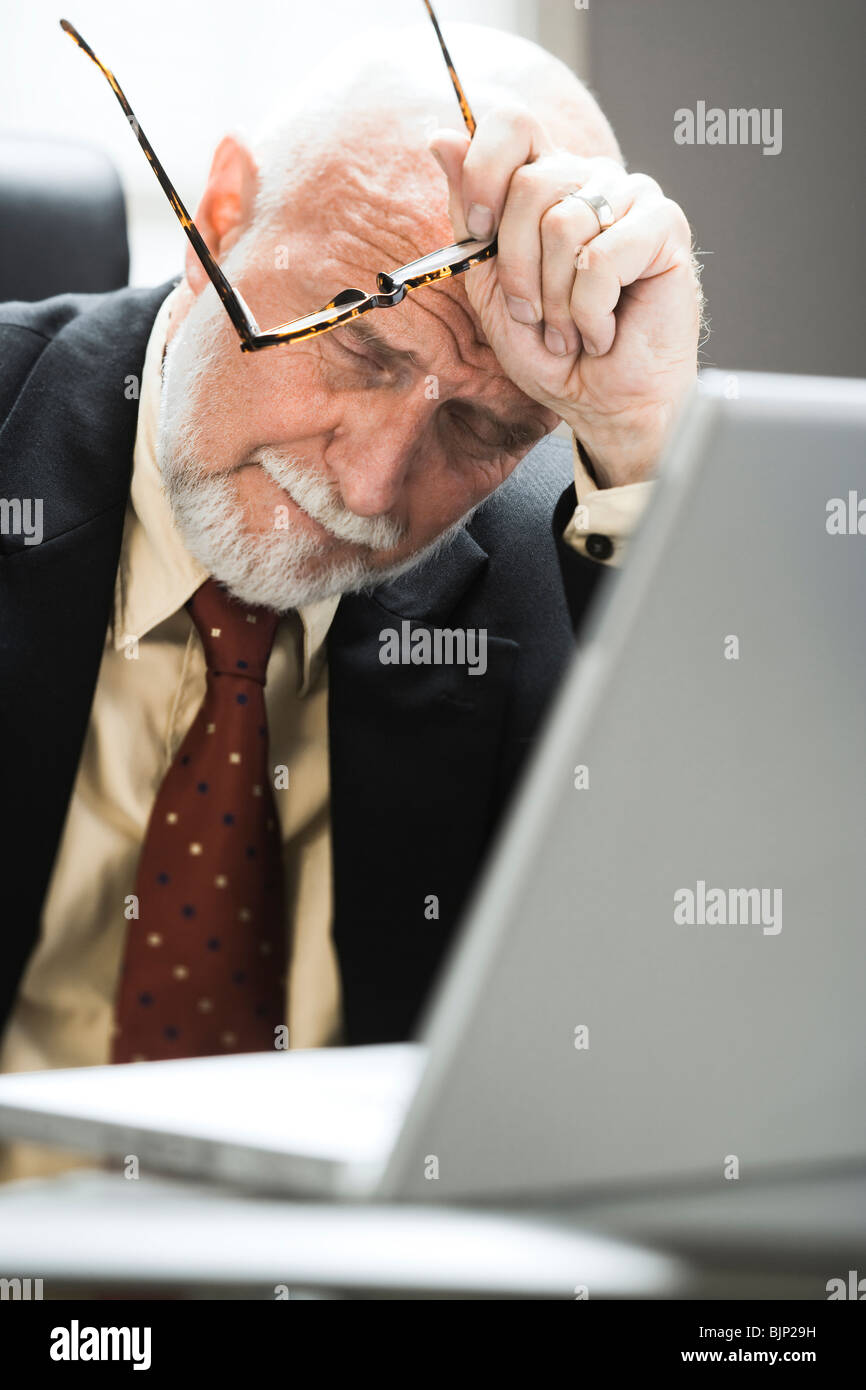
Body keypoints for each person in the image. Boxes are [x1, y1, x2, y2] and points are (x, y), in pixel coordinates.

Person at [0, 20, 702, 1182]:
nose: (369, 488)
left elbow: (718, 975)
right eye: (359, 351)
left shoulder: (558, 565)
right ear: (218, 215)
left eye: (476, 426)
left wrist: (643, 442)